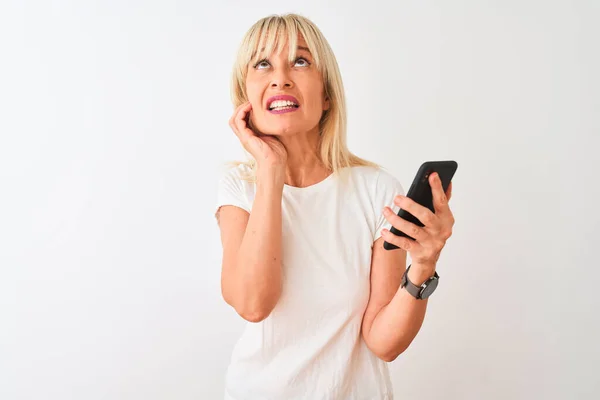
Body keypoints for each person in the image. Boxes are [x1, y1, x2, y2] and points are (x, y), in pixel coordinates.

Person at [214, 13, 455, 400]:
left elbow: (383, 343)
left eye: (301, 60)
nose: (281, 77)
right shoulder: (239, 189)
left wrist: (424, 267)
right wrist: (271, 170)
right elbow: (253, 304)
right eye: (263, 63)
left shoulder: (375, 189)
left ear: (327, 95)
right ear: (246, 95)